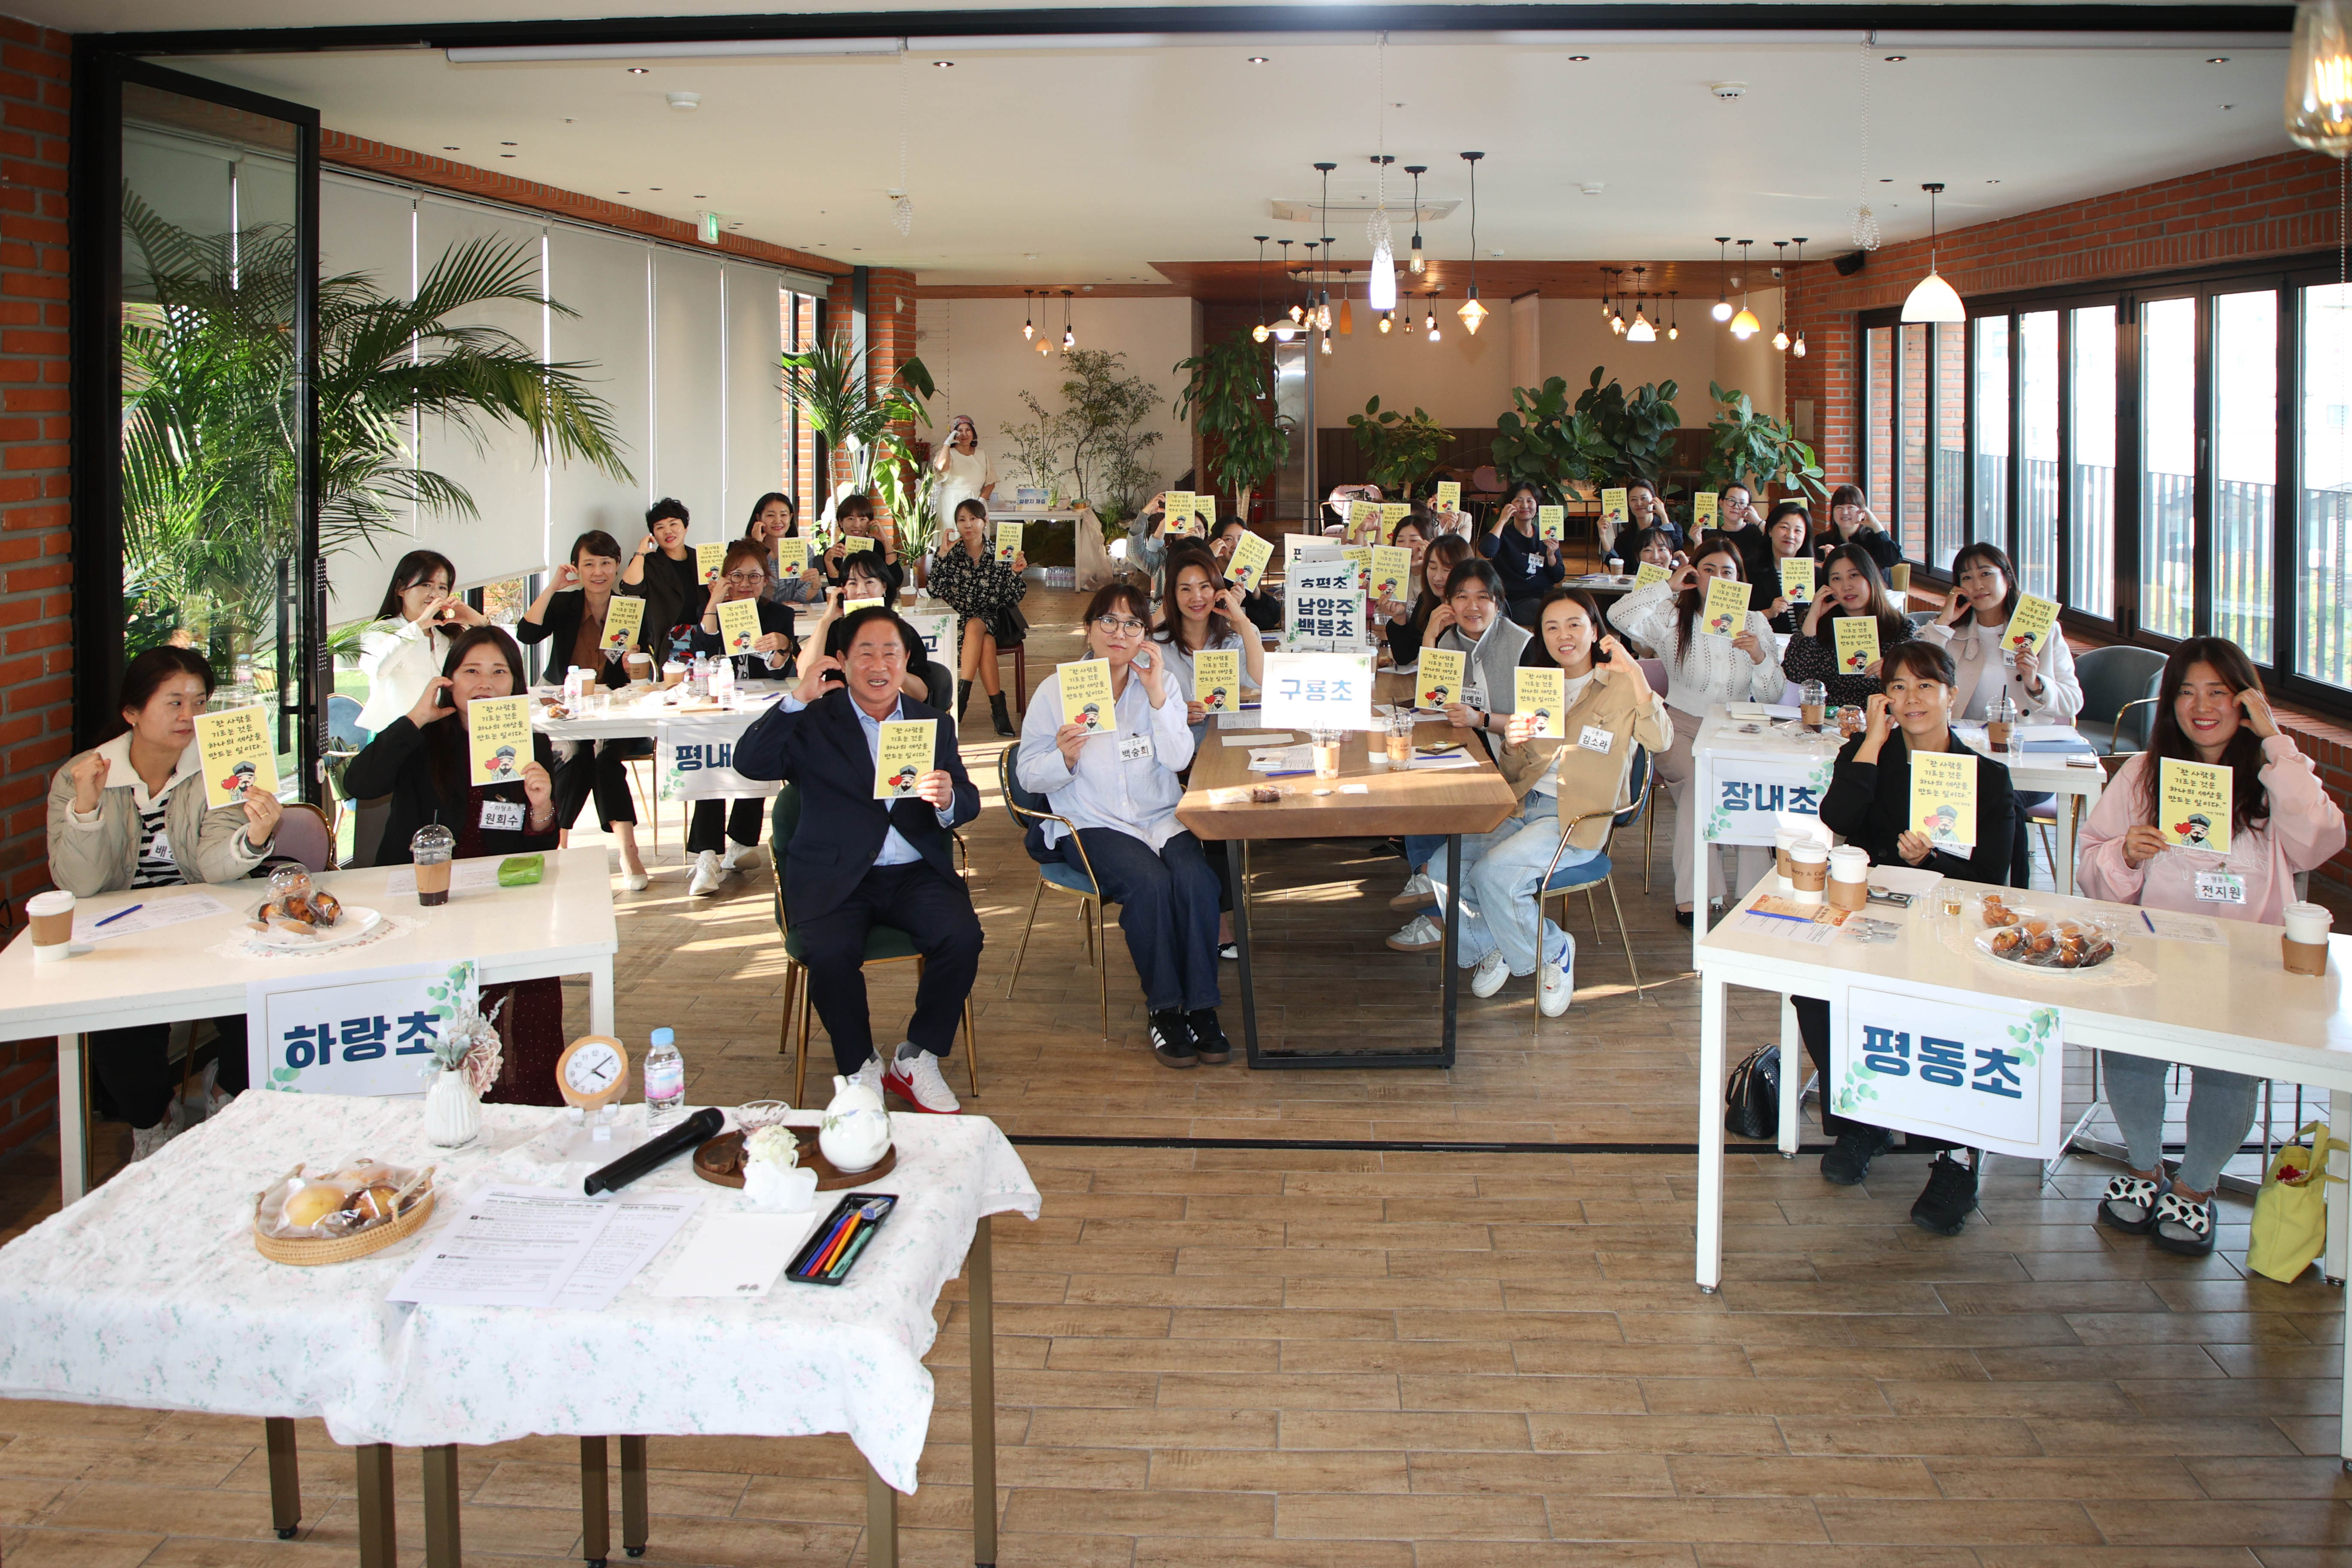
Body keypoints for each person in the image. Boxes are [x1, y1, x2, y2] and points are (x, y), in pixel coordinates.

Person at [2079, 638, 2346, 1255]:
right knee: (2130, 1057)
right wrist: (2124, 854)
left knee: (2229, 1076)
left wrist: (2277, 743)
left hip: (2244, 962)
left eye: (2218, 693)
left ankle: (2197, 1187)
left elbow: (2320, 843)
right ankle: (2145, 1169)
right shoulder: (2146, 772)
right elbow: (2091, 863)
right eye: (2186, 693)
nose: (2201, 708)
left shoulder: (2275, 775)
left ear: (2245, 701)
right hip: (2154, 953)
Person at [1798, 640, 2016, 1234]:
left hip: (1950, 931)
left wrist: (1936, 858)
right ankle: (1862, 1120)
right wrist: (1870, 739)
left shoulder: (1987, 778)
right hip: (1872, 917)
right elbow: (1839, 818)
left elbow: (1994, 882)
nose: (1911, 699)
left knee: (1945, 1006)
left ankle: (1955, 1155)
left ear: (1951, 693)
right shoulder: (1868, 754)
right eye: (1897, 687)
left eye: (1925, 686)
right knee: (1814, 987)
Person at [732, 604, 982, 1115]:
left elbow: (969, 798)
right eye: (865, 651)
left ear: (907, 659)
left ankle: (917, 1056)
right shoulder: (814, 720)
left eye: (891, 651)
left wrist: (948, 796)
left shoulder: (931, 722)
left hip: (914, 872)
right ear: (842, 661)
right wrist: (796, 698)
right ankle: (859, 1065)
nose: (879, 663)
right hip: (835, 873)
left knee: (962, 937)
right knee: (829, 953)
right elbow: (750, 763)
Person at [46, 647, 282, 1159]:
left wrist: (254, 836)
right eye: (173, 702)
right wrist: (86, 808)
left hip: (211, 923)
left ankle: (227, 1090)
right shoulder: (80, 777)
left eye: (200, 702)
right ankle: (153, 1120)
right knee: (119, 1030)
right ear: (132, 712)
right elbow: (79, 884)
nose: (190, 716)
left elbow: (215, 862)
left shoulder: (220, 766)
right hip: (124, 934)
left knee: (256, 1003)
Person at [340, 626, 568, 1104]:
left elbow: (540, 850)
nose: (485, 682)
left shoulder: (531, 744)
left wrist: (543, 808)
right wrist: (414, 719)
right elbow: (359, 784)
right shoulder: (419, 739)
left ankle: (523, 1099)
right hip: (419, 902)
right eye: (472, 671)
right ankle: (434, 1097)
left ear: (515, 685)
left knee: (534, 977)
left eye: (499, 672)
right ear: (450, 680)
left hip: (497, 904)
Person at [1018, 584, 1228, 1069]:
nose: (1120, 633)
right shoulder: (1057, 691)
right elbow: (1028, 774)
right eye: (1108, 621)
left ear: (1145, 634)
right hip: (1090, 822)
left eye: (1133, 623)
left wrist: (1157, 697)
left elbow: (1179, 758)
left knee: (1198, 881)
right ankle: (1165, 1009)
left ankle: (1203, 1005)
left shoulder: (1162, 684)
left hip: (1159, 817)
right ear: (1089, 629)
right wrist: (1063, 758)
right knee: (1151, 886)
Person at [1444, 591, 1672, 1014]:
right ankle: (1496, 940)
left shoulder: (1620, 686)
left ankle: (1553, 951)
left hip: (1575, 816)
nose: (1562, 635)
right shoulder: (1540, 685)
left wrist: (1635, 671)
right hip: (1523, 805)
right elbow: (1517, 771)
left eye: (1574, 625)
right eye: (1551, 627)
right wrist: (1512, 743)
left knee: (1494, 873)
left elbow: (1661, 739)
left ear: (1594, 631)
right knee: (1442, 867)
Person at [1608, 536, 1785, 927]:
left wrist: (1759, 657)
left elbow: (1772, 693)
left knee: (1739, 790)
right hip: (1680, 729)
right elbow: (1619, 616)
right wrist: (1668, 586)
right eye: (1709, 570)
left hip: (1737, 734)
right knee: (1700, 785)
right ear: (1694, 574)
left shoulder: (1756, 622)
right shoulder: (1673, 616)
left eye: (1728, 572)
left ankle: (1750, 891)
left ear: (1740, 579)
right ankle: (1698, 894)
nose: (1719, 578)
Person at [1386, 557, 1535, 943]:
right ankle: (1427, 884)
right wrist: (1431, 637)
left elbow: (1539, 724)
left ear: (1499, 602)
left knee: (1440, 799)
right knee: (1413, 780)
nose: (1472, 606)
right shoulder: (1451, 639)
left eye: (1483, 597)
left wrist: (1481, 718)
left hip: (1513, 761)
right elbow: (1431, 704)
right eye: (1461, 597)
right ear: (1447, 601)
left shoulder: (1524, 646)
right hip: (1468, 747)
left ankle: (1436, 915)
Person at [1922, 541, 2086, 886]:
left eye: (1986, 574)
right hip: (1966, 757)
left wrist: (2035, 682)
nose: (1977, 585)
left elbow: (2073, 701)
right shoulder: (1955, 633)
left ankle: (2015, 894)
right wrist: (1944, 622)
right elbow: (1916, 671)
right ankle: (1962, 886)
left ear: (2007, 579)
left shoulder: (2043, 633)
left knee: (2003, 798)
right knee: (1987, 796)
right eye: (1967, 577)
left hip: (2025, 760)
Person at [516, 529, 653, 889]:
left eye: (605, 563)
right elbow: (526, 634)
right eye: (588, 563)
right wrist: (552, 587)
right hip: (567, 704)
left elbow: (648, 666)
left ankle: (629, 851)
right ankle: (556, 847)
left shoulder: (631, 608)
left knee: (606, 759)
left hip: (618, 705)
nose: (598, 571)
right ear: (576, 567)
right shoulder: (565, 604)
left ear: (617, 565)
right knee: (576, 756)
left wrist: (632, 664)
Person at [681, 540, 799, 897]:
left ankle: (741, 843)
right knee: (709, 764)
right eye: (737, 575)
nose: (746, 583)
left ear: (766, 580)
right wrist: (715, 602)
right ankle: (707, 855)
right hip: (717, 708)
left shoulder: (780, 615)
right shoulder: (713, 611)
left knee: (758, 755)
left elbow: (783, 673)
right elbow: (701, 647)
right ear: (724, 578)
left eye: (754, 576)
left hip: (759, 707)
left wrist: (781, 648)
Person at [928, 496, 1029, 738]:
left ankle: (960, 698)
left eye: (974, 519)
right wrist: (941, 555)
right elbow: (934, 591)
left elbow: (1013, 597)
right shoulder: (951, 555)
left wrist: (1016, 574)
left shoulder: (1001, 552)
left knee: (978, 626)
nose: (968, 525)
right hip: (961, 624)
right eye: (962, 520)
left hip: (993, 619)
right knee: (984, 641)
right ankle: (999, 710)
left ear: (985, 522)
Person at [355, 549, 485, 735]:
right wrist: (418, 627)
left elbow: (500, 661)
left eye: (442, 587)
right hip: (394, 735)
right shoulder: (379, 629)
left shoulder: (450, 633)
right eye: (426, 585)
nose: (434, 595)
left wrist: (479, 622)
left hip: (446, 733)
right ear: (401, 589)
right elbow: (376, 669)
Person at [1782, 543, 1916, 711]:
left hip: (1884, 720)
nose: (1846, 586)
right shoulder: (1820, 626)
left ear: (1871, 578)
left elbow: (1920, 677)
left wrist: (1895, 671)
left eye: (1854, 575)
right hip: (1828, 721)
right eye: (1837, 579)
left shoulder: (1901, 628)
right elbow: (1796, 674)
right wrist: (1813, 618)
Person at [619, 497, 707, 661]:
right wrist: (641, 552)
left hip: (703, 641)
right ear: (653, 535)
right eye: (660, 528)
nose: (668, 531)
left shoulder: (702, 560)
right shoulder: (649, 563)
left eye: (674, 524)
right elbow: (630, 588)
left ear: (686, 528)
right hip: (665, 643)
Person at [1384, 534, 1473, 673]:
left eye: (1447, 570)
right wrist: (1399, 618)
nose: (1438, 577)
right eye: (1432, 568)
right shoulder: (1426, 600)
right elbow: (1404, 657)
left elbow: (1442, 673)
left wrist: (1430, 637)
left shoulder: (1473, 610)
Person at [1480, 481, 1565, 625]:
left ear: (1537, 506)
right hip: (1516, 601)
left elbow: (1558, 576)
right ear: (1510, 506)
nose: (1525, 505)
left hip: (1545, 595)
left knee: (1573, 606)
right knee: (1548, 614)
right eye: (1519, 501)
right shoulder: (1504, 535)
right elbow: (1487, 551)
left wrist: (1551, 556)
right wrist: (1502, 520)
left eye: (1530, 501)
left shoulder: (1545, 535)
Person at [818, 493, 905, 605]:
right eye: (851, 519)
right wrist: (829, 562)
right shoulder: (835, 552)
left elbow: (896, 580)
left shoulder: (879, 547)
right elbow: (839, 586)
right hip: (849, 609)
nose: (857, 525)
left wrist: (886, 542)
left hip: (880, 607)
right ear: (840, 522)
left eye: (863, 519)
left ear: (870, 522)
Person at [744, 491, 823, 606]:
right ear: (759, 518)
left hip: (794, 615)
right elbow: (747, 587)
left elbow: (804, 596)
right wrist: (756, 545)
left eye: (784, 515)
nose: (778, 521)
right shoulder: (745, 551)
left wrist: (815, 585)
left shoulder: (802, 550)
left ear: (791, 517)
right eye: (771, 515)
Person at [1207, 516, 1282, 631]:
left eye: (1241, 539)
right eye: (1228, 539)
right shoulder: (1207, 574)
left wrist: (1256, 592)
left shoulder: (1246, 575)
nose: (1235, 545)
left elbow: (1271, 620)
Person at [929, 413, 997, 536]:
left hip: (976, 502)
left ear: (974, 433)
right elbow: (941, 467)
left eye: (968, 430)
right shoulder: (946, 453)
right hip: (951, 503)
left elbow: (991, 482)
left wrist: (980, 501)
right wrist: (947, 444)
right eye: (960, 431)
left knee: (976, 540)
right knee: (951, 536)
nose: (964, 435)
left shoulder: (982, 455)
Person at [1818, 484, 1904, 577]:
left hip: (1875, 591)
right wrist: (1828, 563)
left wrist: (1876, 524)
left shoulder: (1876, 539)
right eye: (1839, 508)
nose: (1845, 513)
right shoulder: (1823, 541)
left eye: (1851, 507)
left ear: (1863, 513)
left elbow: (1892, 560)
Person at [1757, 502, 1817, 634]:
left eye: (1798, 531)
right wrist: (1769, 613)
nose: (1790, 535)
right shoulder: (1749, 570)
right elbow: (1739, 619)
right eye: (1784, 527)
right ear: (1770, 530)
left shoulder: (1817, 575)